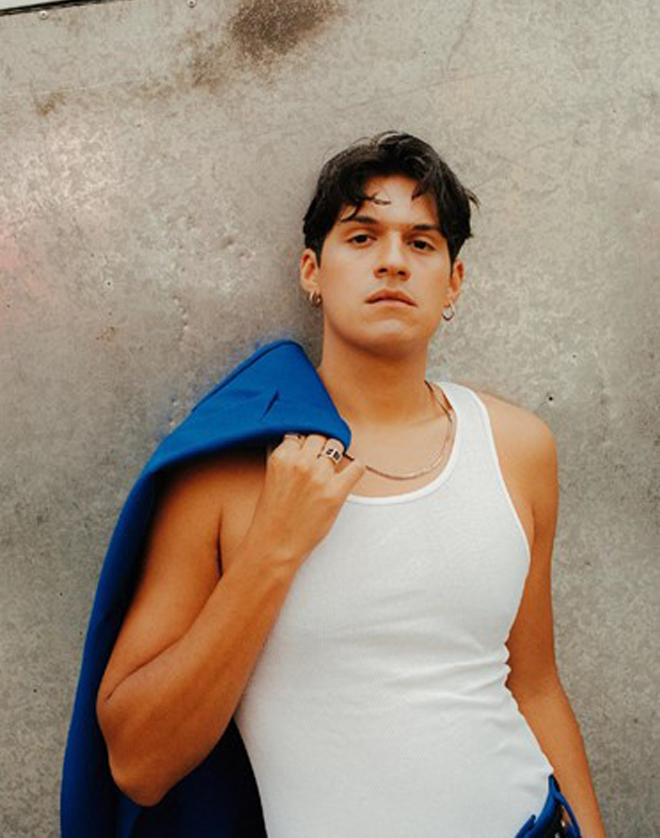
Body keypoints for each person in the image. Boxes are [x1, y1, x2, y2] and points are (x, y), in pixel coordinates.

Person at [93, 131, 605, 836]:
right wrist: (274, 547)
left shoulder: (518, 447)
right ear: (313, 270)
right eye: (362, 237)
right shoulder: (231, 471)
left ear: (454, 282)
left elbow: (536, 684)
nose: (393, 260)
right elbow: (137, 762)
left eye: (421, 243)